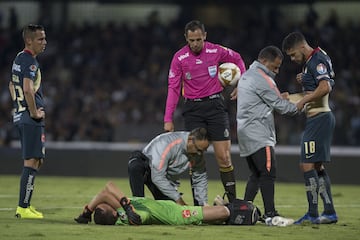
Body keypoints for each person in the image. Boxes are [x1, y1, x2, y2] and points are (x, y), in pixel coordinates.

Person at [163, 20, 246, 203]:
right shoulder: (179, 58)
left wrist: (242, 84)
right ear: (186, 38)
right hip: (193, 110)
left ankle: (232, 203)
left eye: (198, 39)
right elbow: (173, 88)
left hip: (216, 107)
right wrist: (168, 118)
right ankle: (199, 205)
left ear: (205, 36)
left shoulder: (216, 51)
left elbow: (238, 59)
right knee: (196, 159)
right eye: (191, 40)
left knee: (224, 157)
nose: (195, 44)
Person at [236, 46, 299, 221]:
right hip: (259, 132)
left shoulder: (248, 75)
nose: (277, 71)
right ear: (264, 61)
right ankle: (270, 214)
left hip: (246, 131)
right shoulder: (263, 78)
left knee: (256, 174)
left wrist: (280, 98)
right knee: (268, 173)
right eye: (275, 67)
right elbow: (283, 108)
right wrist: (303, 104)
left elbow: (262, 101)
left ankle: (243, 209)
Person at [282, 32, 338, 224]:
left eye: (292, 54)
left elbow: (325, 88)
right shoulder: (312, 62)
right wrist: (290, 97)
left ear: (300, 47)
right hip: (319, 118)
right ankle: (329, 212)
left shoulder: (316, 59)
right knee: (316, 166)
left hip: (319, 119)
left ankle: (313, 213)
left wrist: (303, 100)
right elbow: (318, 86)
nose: (292, 59)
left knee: (306, 165)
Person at [74, 181, 261, 226]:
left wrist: (86, 212)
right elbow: (107, 191)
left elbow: (105, 191)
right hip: (175, 216)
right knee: (223, 213)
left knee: (208, 211)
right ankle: (238, 212)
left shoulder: (123, 208)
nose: (111, 201)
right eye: (109, 205)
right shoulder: (127, 217)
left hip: (169, 207)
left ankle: (219, 203)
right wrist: (88, 211)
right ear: (113, 213)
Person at [9, 24, 47, 219]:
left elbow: (10, 85)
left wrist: (19, 107)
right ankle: (23, 207)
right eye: (40, 39)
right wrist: (34, 113)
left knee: (35, 160)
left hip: (20, 115)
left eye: (44, 38)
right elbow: (27, 89)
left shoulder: (18, 59)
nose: (44, 42)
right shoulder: (31, 62)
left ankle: (25, 205)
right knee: (32, 161)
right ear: (29, 41)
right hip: (30, 119)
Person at [128, 127, 209, 206]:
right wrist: (178, 198)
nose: (200, 154)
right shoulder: (167, 143)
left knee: (172, 213)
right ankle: (138, 204)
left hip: (164, 178)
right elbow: (157, 177)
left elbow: (200, 178)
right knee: (135, 166)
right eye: (198, 150)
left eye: (203, 151)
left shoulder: (198, 153)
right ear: (190, 140)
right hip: (148, 168)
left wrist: (203, 203)